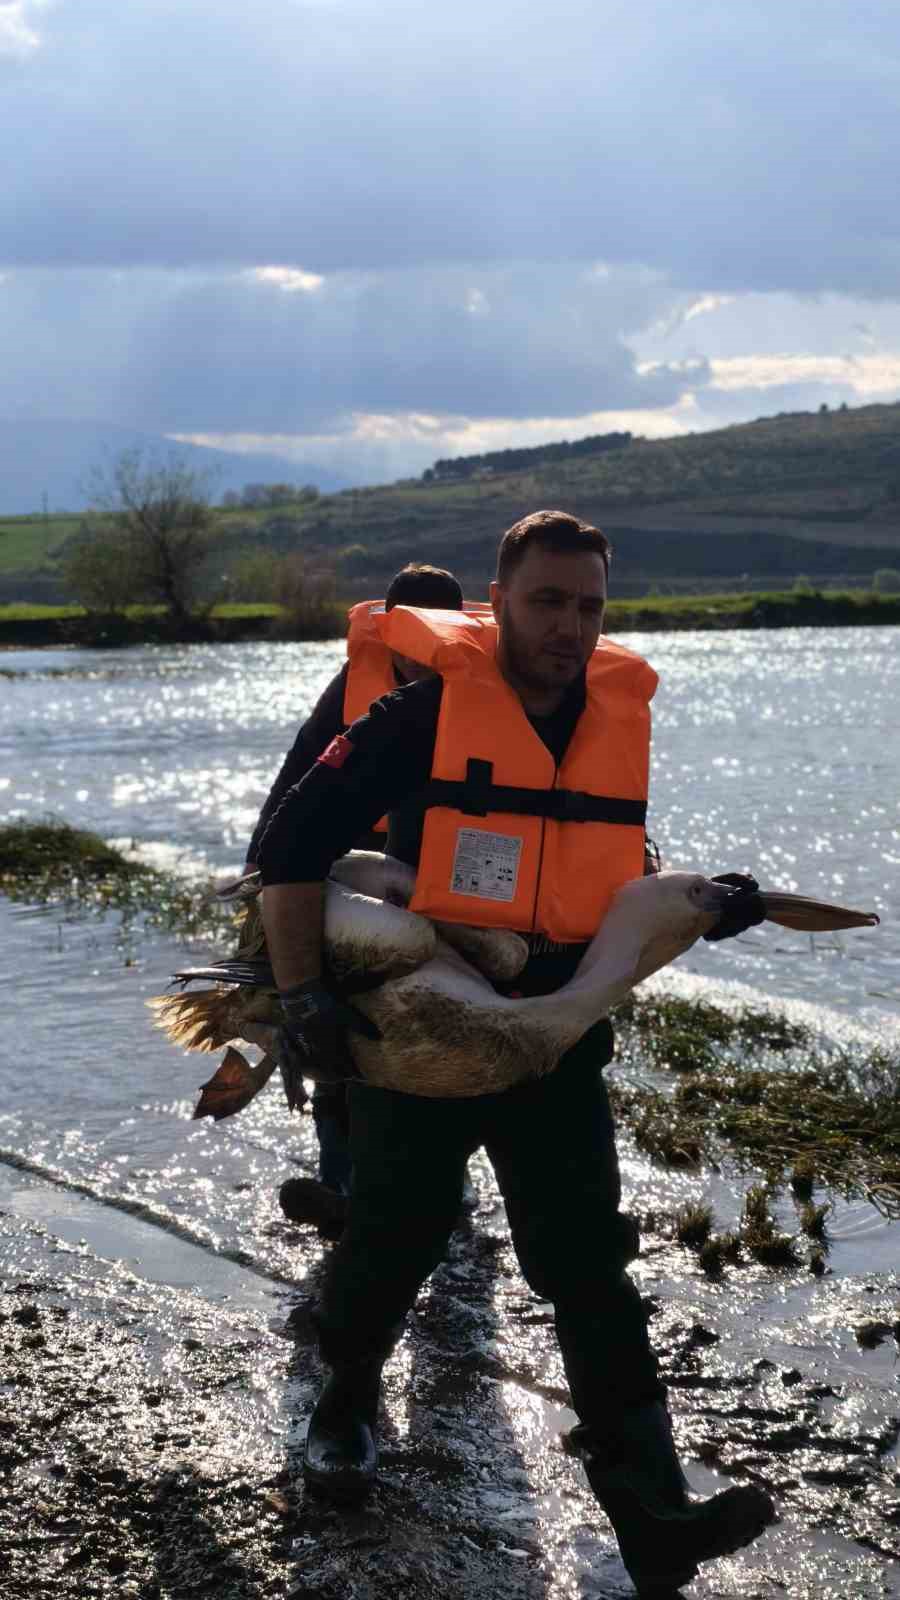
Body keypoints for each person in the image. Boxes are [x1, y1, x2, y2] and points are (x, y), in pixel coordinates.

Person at [256, 511, 773, 1594]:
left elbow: (618, 857)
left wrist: (707, 902)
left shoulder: (612, 716)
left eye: (589, 607)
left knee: (589, 1262)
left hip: (553, 1043)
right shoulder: (426, 711)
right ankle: (344, 1406)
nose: (570, 627)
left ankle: (654, 1509)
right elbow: (292, 842)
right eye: (548, 601)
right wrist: (302, 998)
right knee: (394, 1237)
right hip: (428, 1034)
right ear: (500, 601)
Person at [244, 563, 467, 1232]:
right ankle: (341, 1187)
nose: (422, 647)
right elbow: (290, 797)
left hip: (438, 899)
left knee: (442, 1051)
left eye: (439, 631)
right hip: (340, 891)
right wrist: (267, 887)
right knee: (335, 1049)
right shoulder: (350, 695)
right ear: (388, 630)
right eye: (410, 631)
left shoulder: (487, 701)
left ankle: (443, 1195)